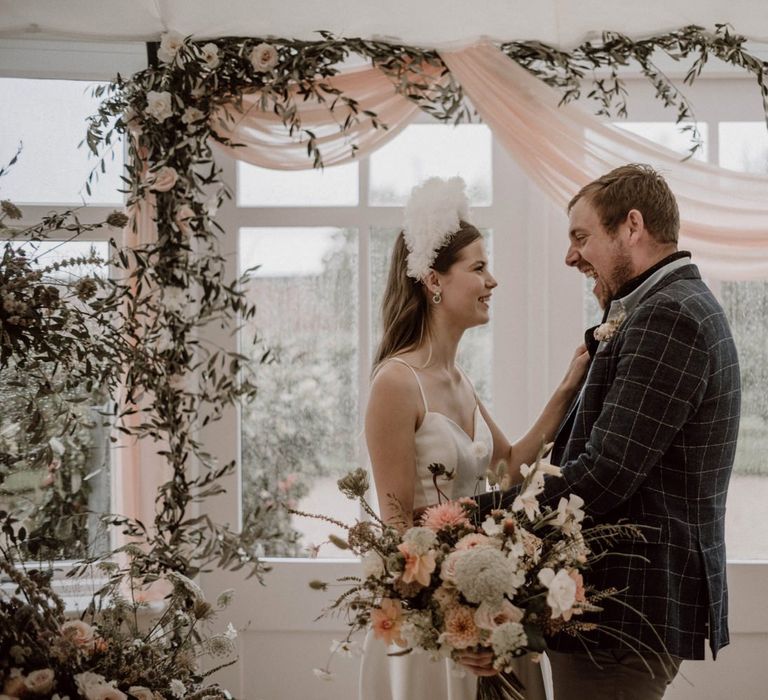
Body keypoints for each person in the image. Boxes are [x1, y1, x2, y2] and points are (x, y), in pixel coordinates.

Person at [462, 164, 742, 700]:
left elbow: (605, 475)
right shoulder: (661, 308)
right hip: (613, 610)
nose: (571, 256)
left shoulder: (670, 317)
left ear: (631, 226)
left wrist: (470, 517)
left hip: (623, 610)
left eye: (581, 237)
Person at [358, 176, 589, 700]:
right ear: (433, 280)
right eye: (479, 268)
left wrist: (569, 385)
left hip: (485, 611)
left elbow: (508, 469)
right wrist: (452, 625)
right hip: (436, 628)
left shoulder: (460, 380)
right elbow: (398, 532)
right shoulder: (397, 383)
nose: (493, 281)